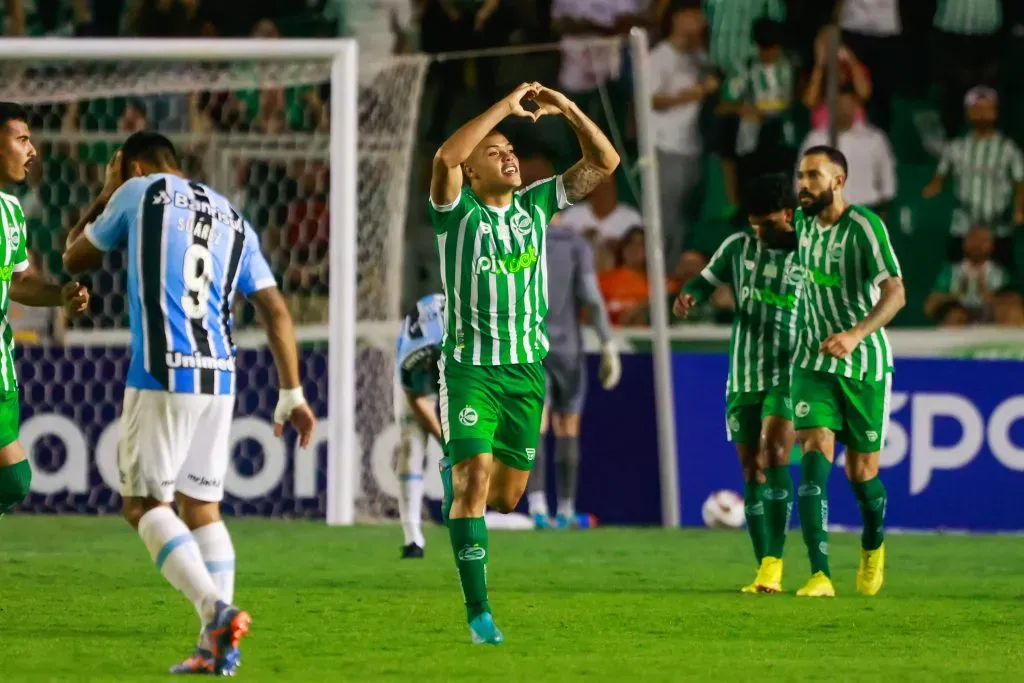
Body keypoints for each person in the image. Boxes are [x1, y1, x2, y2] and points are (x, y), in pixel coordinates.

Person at [63, 132, 317, 675]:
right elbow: (274, 308)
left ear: (134, 165)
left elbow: (74, 255)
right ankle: (215, 649)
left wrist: (107, 191)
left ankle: (215, 610)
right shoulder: (231, 215)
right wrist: (291, 391)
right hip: (220, 377)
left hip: (162, 370)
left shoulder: (140, 191)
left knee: (143, 505)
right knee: (201, 507)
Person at [429, 81, 619, 644]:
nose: (508, 154)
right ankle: (479, 612)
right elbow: (445, 157)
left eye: (512, 148)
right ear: (475, 174)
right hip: (470, 372)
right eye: (495, 152)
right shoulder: (455, 214)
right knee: (474, 482)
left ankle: (457, 477)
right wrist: (502, 107)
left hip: (524, 373)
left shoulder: (538, 205)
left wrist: (567, 110)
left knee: (507, 498)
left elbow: (604, 161)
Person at [673, 173, 800, 593]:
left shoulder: (809, 257)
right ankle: (765, 564)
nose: (758, 231)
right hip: (745, 373)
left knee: (775, 453)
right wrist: (690, 294)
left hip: (790, 371)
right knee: (751, 468)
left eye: (766, 223)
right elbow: (704, 283)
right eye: (753, 222)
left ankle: (776, 561)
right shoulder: (737, 248)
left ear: (789, 214)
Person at [791, 145, 905, 598]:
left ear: (838, 182)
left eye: (814, 176)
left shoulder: (864, 228)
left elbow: (896, 293)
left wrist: (856, 334)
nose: (804, 184)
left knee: (861, 473)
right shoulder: (799, 223)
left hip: (863, 364)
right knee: (815, 456)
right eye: (801, 176)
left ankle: (873, 545)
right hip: (812, 361)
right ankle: (820, 574)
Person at [0, 102, 90, 518]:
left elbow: (19, 282)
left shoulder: (11, 212)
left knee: (12, 482)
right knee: (14, 477)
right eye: (21, 139)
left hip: (3, 368)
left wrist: (60, 295)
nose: (32, 150)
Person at [526, 215, 621, 529]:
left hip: (528, 346)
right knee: (567, 425)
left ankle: (538, 507)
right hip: (567, 349)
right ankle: (566, 510)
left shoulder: (518, 239)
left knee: (535, 422)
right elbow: (591, 297)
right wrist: (607, 342)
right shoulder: (575, 244)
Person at [922, 87, 1024, 268]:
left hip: (998, 227)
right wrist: (934, 187)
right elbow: (941, 175)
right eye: (976, 110)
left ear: (995, 112)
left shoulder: (1008, 149)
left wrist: (1019, 209)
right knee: (954, 278)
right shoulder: (956, 147)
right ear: (968, 113)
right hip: (964, 226)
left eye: (986, 109)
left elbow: (1019, 181)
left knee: (1002, 282)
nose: (982, 114)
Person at [394, 292, 446, 558]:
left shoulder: (475, 338)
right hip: (420, 384)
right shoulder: (416, 352)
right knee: (411, 445)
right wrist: (444, 439)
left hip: (463, 382)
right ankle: (412, 536)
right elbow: (416, 399)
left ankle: (473, 520)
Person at [798, 88, 896, 217]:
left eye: (847, 104)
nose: (842, 109)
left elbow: (887, 185)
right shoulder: (815, 140)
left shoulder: (874, 139)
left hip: (865, 213)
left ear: (856, 106)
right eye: (837, 104)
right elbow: (800, 185)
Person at [924, 224, 1009, 323]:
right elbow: (929, 307)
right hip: (957, 322)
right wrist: (955, 295)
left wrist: (986, 294)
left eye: (983, 240)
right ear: (964, 242)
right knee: (955, 316)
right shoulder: (951, 272)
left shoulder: (1000, 274)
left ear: (992, 244)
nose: (977, 245)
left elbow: (1011, 305)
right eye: (973, 239)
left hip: (990, 320)